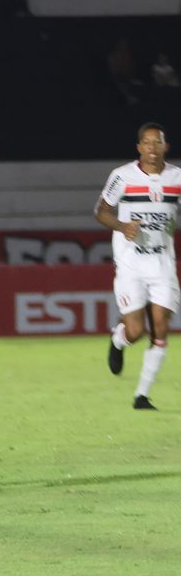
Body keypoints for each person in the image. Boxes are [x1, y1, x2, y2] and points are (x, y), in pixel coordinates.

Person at [97, 123, 181, 409]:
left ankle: (141, 395)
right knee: (136, 331)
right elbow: (101, 211)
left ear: (165, 147)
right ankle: (119, 339)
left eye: (157, 143)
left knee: (160, 326)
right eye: (146, 143)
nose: (152, 149)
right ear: (139, 148)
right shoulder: (122, 176)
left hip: (162, 262)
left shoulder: (177, 178)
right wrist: (122, 226)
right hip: (131, 262)